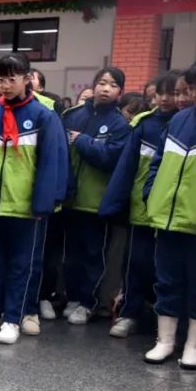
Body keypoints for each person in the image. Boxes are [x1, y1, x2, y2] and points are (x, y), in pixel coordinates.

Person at [0, 53, 67, 345]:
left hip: (26, 209)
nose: (4, 85)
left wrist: (44, 203)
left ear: (27, 80)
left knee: (22, 266)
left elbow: (51, 163)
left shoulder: (44, 115)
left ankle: (12, 319)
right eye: (0, 79)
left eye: (11, 79)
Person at [99, 70, 181, 339]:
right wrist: (113, 204)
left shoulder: (184, 123)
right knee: (136, 265)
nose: (165, 98)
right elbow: (126, 169)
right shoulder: (144, 124)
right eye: (159, 93)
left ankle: (166, 321)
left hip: (175, 214)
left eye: (173, 92)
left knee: (169, 271)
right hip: (141, 211)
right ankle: (129, 313)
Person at [142, 60, 196, 369]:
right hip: (167, 218)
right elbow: (157, 162)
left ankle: (194, 345)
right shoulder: (179, 120)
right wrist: (151, 194)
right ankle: (165, 341)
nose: (193, 95)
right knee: (166, 280)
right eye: (192, 88)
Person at [60, 66, 130, 325]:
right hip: (69, 199)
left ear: (119, 92)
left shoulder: (120, 124)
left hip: (96, 203)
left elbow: (111, 158)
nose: (105, 88)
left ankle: (88, 302)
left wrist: (82, 141)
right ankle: (73, 297)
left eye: (112, 85)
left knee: (93, 255)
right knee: (71, 254)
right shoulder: (72, 115)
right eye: (101, 82)